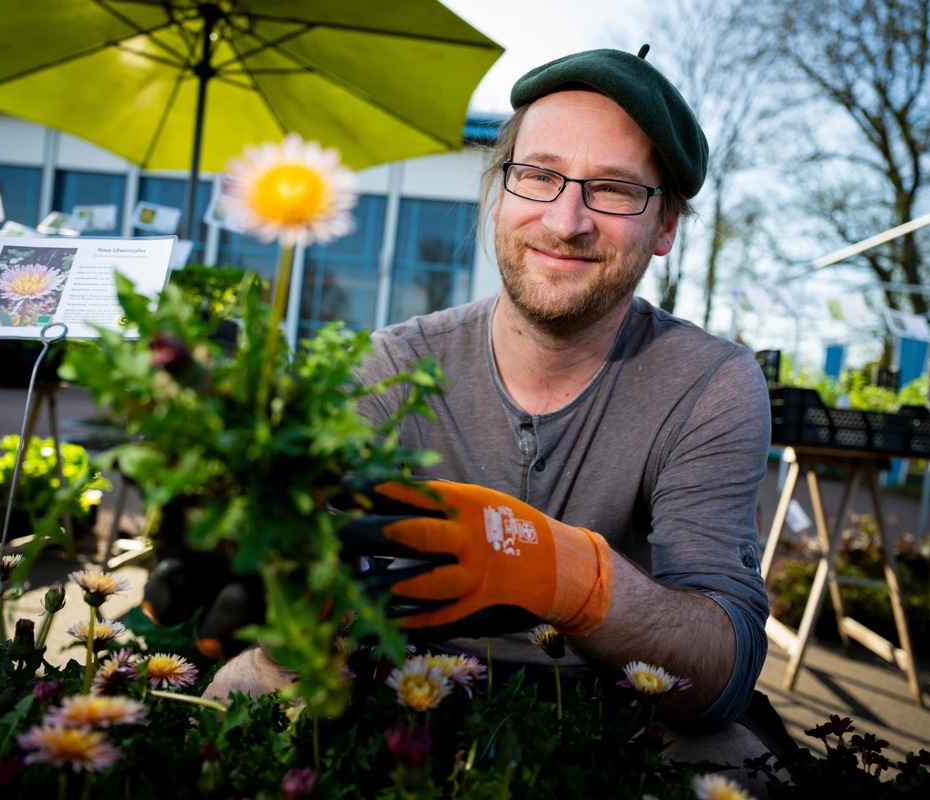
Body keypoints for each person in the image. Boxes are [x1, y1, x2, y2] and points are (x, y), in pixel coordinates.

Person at [168, 45, 792, 784]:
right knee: (231, 698)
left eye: (615, 190)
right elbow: (306, 562)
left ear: (666, 227)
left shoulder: (711, 384)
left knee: (749, 771)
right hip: (404, 677)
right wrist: (279, 587)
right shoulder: (395, 365)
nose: (566, 221)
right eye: (539, 175)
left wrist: (566, 575)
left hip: (616, 699)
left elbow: (723, 671)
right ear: (500, 191)